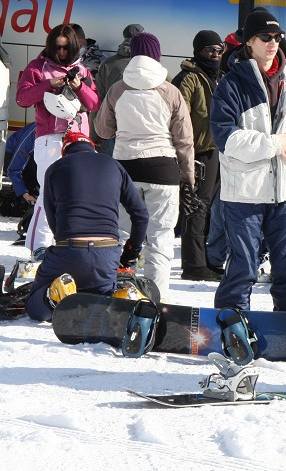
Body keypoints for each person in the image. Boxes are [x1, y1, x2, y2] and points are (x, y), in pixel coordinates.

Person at [210, 9, 286, 312]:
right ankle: (231, 321)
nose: (273, 42)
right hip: (244, 193)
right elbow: (226, 138)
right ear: (249, 42)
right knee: (243, 267)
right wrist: (274, 144)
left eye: (277, 37)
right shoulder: (231, 85)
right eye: (265, 37)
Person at [94, 32, 195, 302]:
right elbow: (184, 139)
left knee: (121, 235)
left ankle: (117, 295)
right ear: (157, 56)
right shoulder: (170, 90)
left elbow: (102, 130)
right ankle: (154, 304)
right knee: (160, 240)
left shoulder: (118, 88)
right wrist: (188, 177)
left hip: (125, 170)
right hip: (163, 170)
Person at [25, 131, 149, 322]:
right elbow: (141, 214)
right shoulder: (114, 165)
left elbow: (53, 220)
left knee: (34, 305)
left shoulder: (55, 168)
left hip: (69, 249)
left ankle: (54, 296)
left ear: (65, 151)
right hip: (106, 254)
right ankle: (121, 297)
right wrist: (131, 251)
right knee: (99, 297)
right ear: (92, 148)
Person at [16, 23, 100, 261]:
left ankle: (68, 241)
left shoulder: (81, 70)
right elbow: (22, 98)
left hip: (79, 139)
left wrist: (79, 86)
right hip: (50, 138)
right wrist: (48, 85)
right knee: (48, 192)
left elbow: (94, 104)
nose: (61, 53)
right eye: (57, 48)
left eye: (66, 48)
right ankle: (40, 245)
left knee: (78, 193)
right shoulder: (37, 67)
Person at [172, 30, 226, 282]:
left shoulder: (219, 77)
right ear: (197, 51)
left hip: (217, 151)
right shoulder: (189, 78)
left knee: (209, 209)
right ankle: (193, 265)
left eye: (219, 51)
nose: (215, 56)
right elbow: (179, 118)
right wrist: (185, 153)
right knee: (195, 207)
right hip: (196, 152)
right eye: (209, 51)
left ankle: (204, 260)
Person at [92, 23, 144, 155]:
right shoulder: (148, 64)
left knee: (110, 170)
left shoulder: (107, 64)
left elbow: (98, 100)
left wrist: (94, 135)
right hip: (141, 130)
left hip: (112, 129)